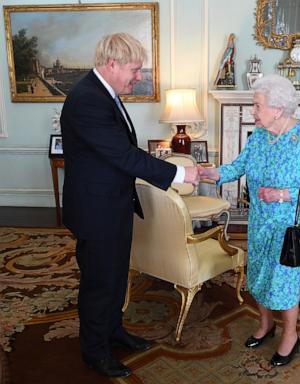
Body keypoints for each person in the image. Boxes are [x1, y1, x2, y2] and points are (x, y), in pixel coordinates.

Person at [60, 33, 199, 378]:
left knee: (116, 275)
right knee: (99, 283)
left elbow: (119, 154)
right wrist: (181, 172)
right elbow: (123, 155)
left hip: (113, 205)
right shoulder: (87, 100)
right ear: (112, 64)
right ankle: (94, 351)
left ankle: (113, 331)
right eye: (135, 70)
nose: (139, 77)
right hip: (96, 211)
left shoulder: (105, 94)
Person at [199, 74, 300, 367]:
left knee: (283, 282)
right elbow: (239, 166)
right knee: (258, 274)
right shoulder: (259, 135)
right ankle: (265, 324)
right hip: (259, 222)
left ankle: (290, 335)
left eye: (257, 105)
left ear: (278, 109)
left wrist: (283, 194)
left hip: (289, 226)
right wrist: (215, 173)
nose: (253, 111)